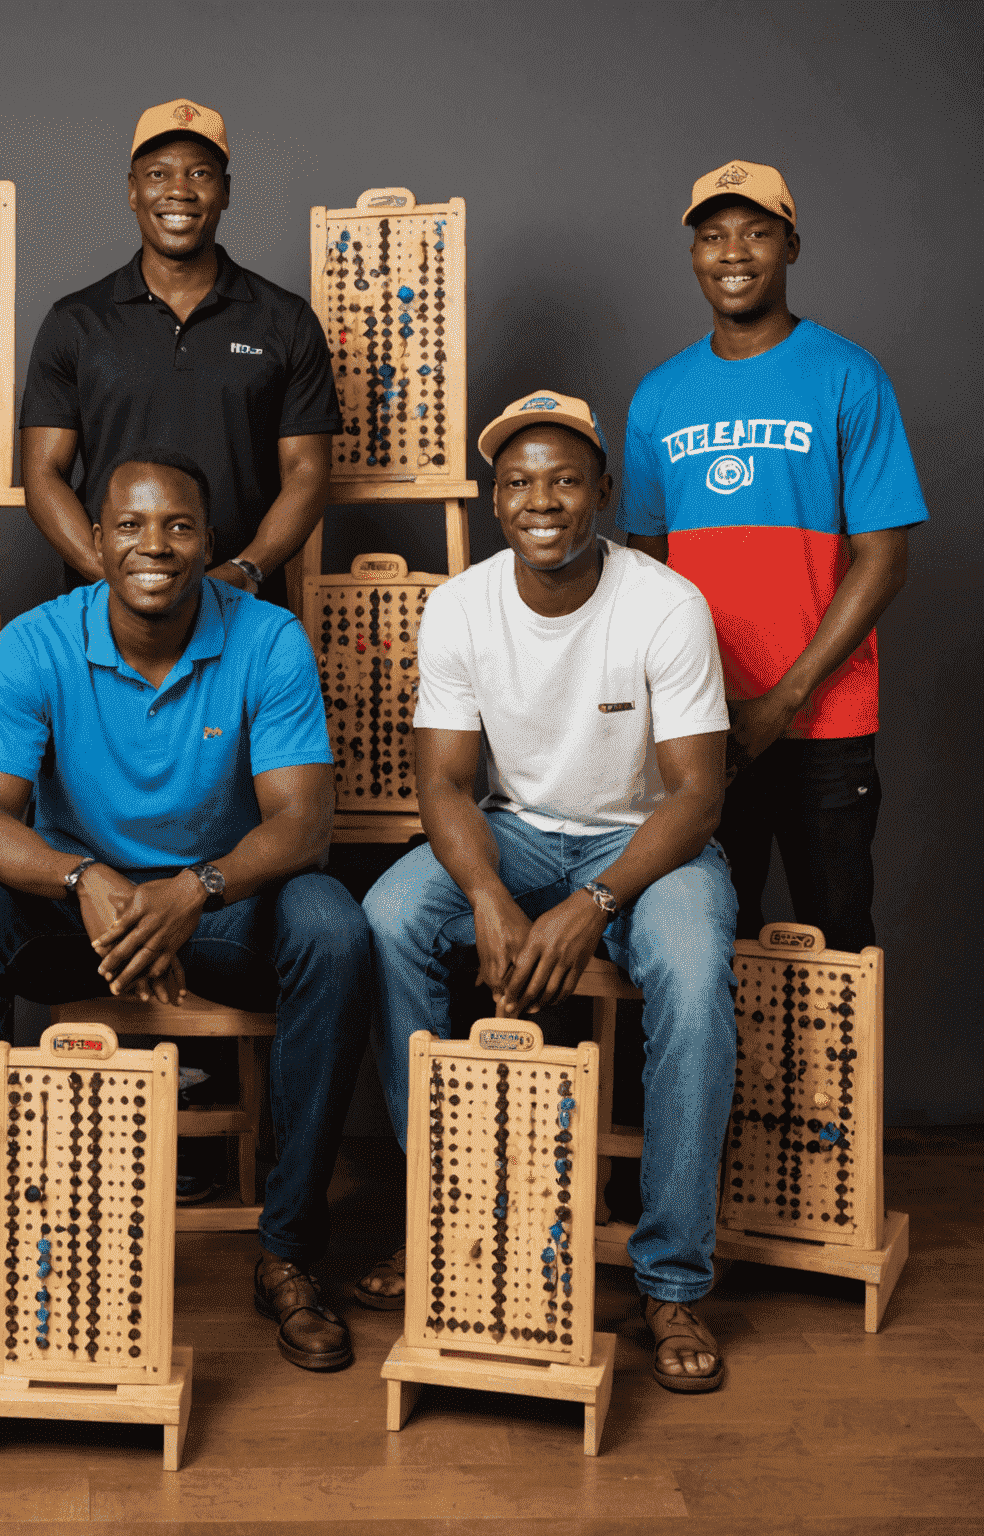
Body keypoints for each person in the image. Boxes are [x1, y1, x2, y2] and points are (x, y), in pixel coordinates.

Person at [0, 448, 370, 1374]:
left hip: (221, 911)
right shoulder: (38, 642)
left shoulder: (269, 637)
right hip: (74, 915)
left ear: (209, 543)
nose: (152, 545)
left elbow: (303, 825)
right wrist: (86, 882)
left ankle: (287, 1251)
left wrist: (190, 893)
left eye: (177, 525)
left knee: (334, 927)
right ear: (94, 538)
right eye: (128, 525)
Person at [357, 391, 738, 1392]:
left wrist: (597, 903)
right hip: (518, 834)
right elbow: (442, 781)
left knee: (695, 975)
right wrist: (486, 891)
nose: (543, 499)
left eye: (565, 479)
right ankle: (444, 1223)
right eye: (520, 481)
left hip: (650, 841)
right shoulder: (461, 606)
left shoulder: (666, 604)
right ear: (495, 500)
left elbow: (700, 793)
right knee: (391, 916)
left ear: (602, 493)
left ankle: (671, 1280)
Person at [616, 161, 928, 953]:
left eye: (756, 232)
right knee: (703, 948)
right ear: (692, 255)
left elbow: (884, 561)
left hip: (822, 721)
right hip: (699, 730)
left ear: (791, 244)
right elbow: (641, 573)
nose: (733, 252)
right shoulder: (658, 396)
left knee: (838, 946)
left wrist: (782, 699)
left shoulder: (849, 376)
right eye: (713, 235)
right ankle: (722, 1089)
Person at [20, 98, 341, 601]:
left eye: (200, 173)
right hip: (105, 608)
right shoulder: (75, 322)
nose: (178, 190)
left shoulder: (286, 320)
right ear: (132, 191)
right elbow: (42, 472)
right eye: (157, 173)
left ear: (226, 192)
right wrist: (112, 578)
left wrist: (244, 572)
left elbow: (307, 472)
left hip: (241, 608)